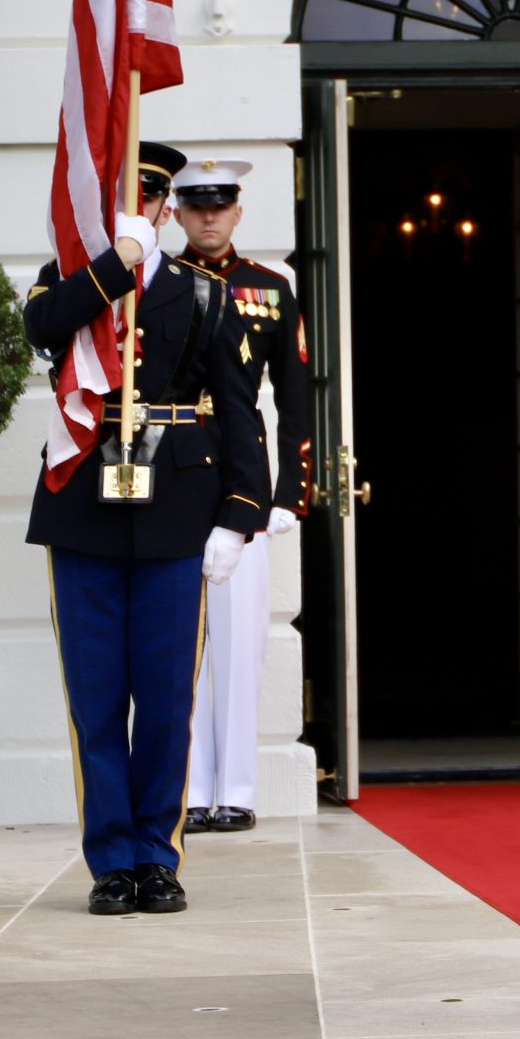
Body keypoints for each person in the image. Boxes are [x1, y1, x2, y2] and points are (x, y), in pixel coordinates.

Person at [24, 140, 270, 917]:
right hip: (82, 508)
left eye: (151, 204)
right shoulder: (65, 279)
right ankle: (111, 860)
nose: (146, 214)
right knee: (96, 701)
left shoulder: (204, 294)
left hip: (176, 511)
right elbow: (44, 329)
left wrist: (239, 515)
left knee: (164, 700)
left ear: (167, 207)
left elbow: (239, 413)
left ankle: (158, 856)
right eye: (127, 204)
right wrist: (115, 260)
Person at [168, 156, 313, 835]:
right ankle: (191, 788)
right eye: (195, 205)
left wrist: (291, 490)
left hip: (242, 481)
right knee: (180, 644)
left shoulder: (270, 288)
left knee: (238, 641)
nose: (207, 216)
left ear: (236, 211)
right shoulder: (159, 282)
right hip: (173, 475)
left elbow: (296, 392)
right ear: (177, 211)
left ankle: (237, 788)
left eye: (218, 205)